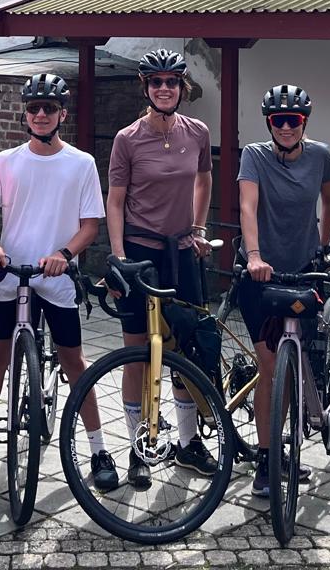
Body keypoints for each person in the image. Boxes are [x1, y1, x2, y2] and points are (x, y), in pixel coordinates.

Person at [0, 73, 119, 491]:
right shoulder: (8, 160)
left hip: (55, 276)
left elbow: (90, 225)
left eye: (49, 108)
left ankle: (97, 449)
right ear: (25, 113)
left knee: (75, 361)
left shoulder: (80, 163)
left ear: (61, 114)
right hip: (11, 274)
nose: (40, 115)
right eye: (34, 108)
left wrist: (65, 254)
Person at [105, 47, 218, 487]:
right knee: (138, 353)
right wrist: (118, 256)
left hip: (182, 253)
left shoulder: (198, 132)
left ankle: (189, 444)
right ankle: (138, 447)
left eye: (172, 81)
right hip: (141, 253)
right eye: (157, 82)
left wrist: (198, 227)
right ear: (146, 88)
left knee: (183, 350)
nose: (165, 88)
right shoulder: (127, 138)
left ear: (181, 87)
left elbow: (205, 178)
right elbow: (115, 201)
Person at [236, 83, 330, 498]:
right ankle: (267, 458)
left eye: (292, 121)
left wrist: (324, 248)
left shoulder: (320, 155)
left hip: (302, 271)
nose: (285, 127)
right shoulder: (254, 156)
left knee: (294, 366)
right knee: (270, 367)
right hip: (261, 274)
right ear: (269, 123)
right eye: (277, 121)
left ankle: (292, 448)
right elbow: (246, 205)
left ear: (304, 123)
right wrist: (255, 255)